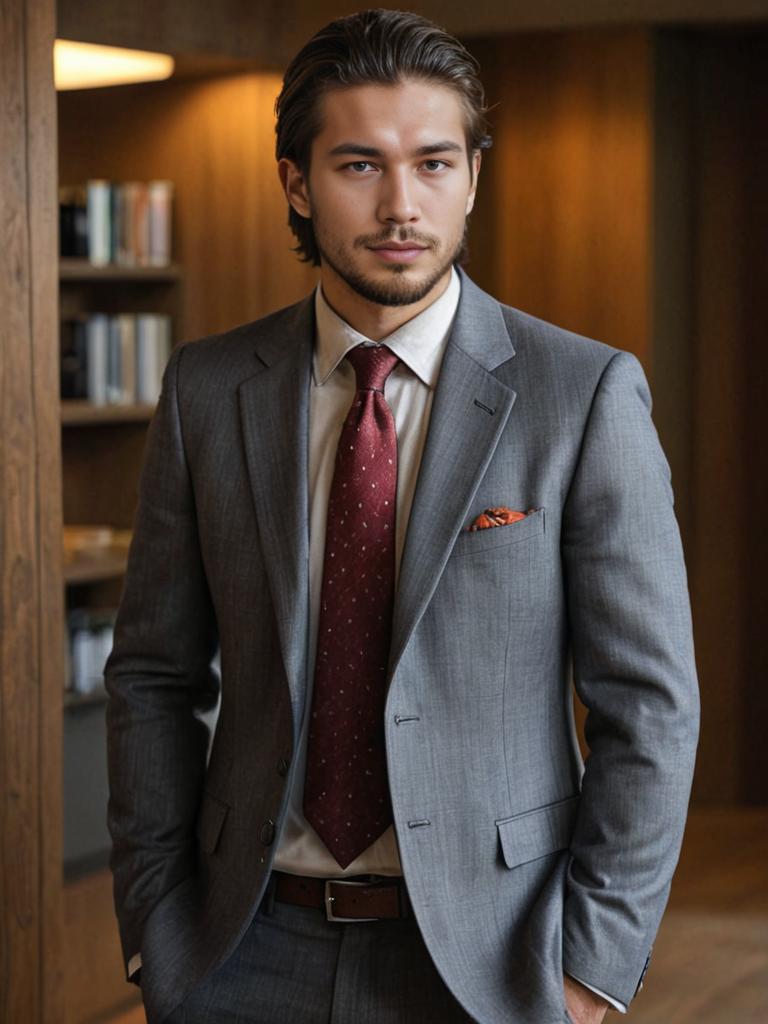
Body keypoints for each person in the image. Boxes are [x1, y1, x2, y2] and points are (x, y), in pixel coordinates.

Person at [105, 10, 699, 1024]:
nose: (400, 206)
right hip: (241, 951)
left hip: (493, 962)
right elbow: (154, 675)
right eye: (357, 166)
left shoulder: (583, 393)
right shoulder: (209, 391)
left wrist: (589, 975)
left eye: (433, 163)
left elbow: (649, 707)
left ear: (473, 174)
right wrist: (154, 931)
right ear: (296, 182)